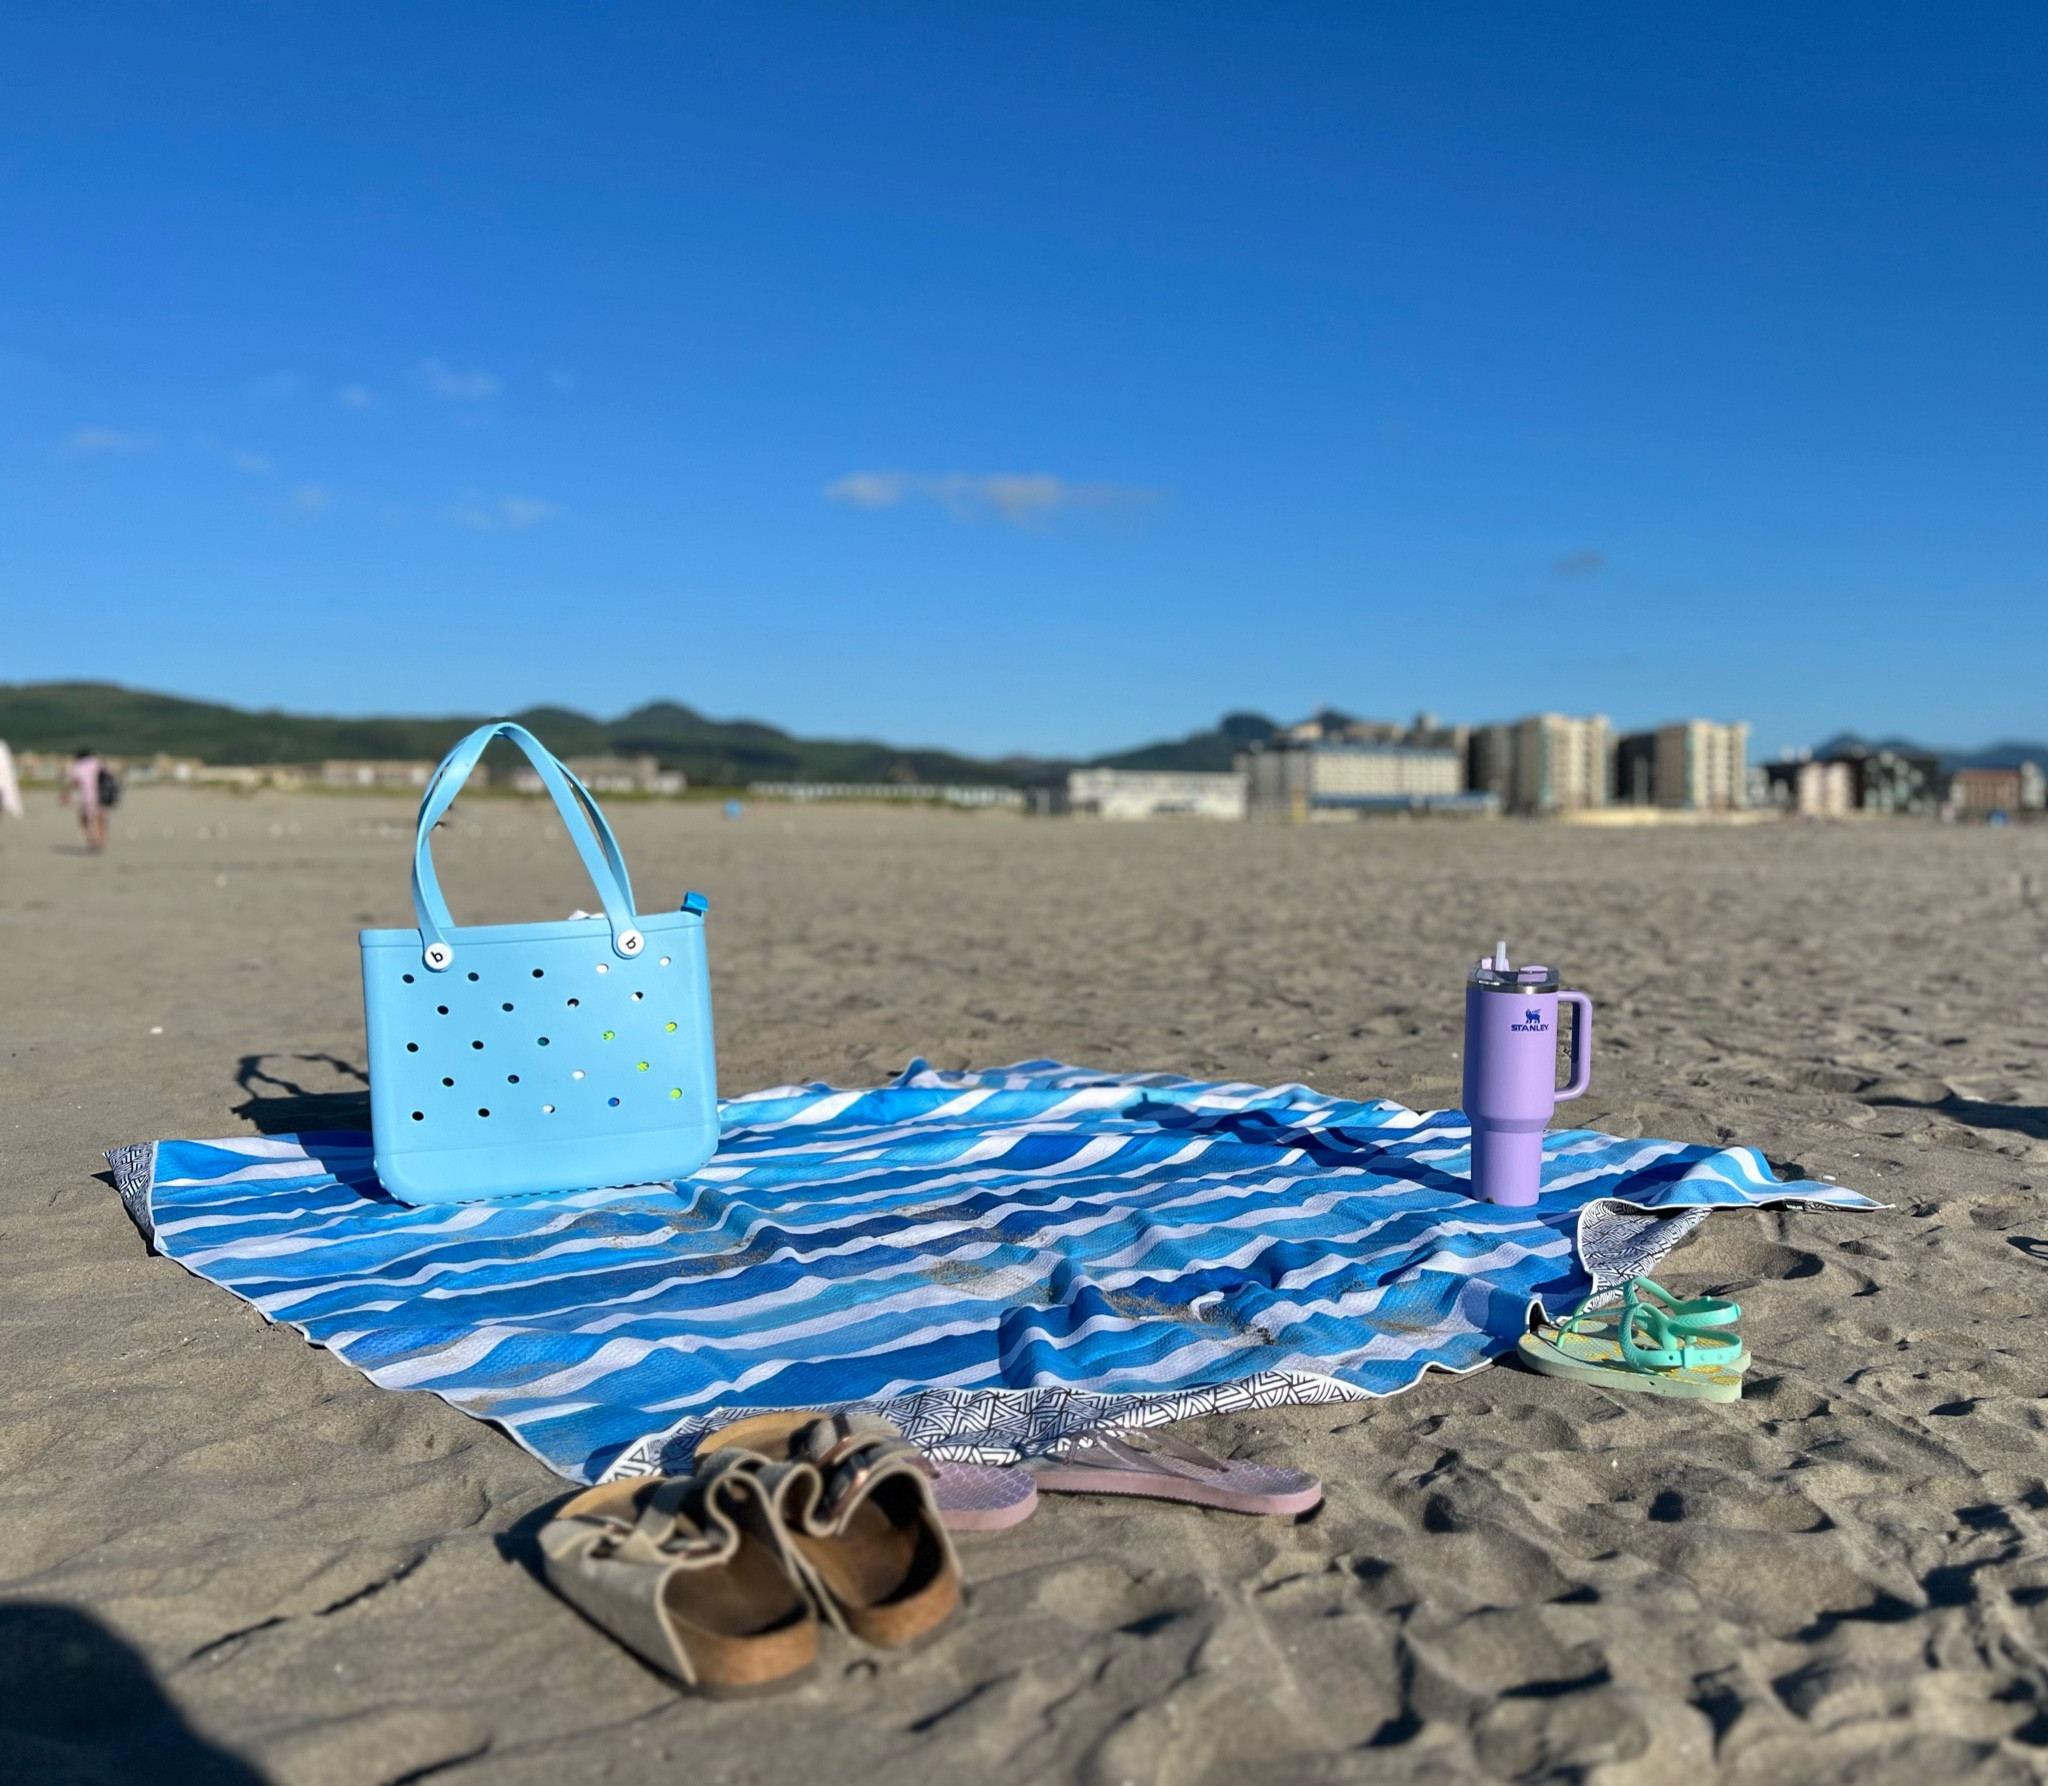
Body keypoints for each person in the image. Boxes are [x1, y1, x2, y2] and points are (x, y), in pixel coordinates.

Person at [61, 747, 111, 852]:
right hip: (101, 795)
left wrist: (66, 793)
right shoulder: (97, 762)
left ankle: (91, 837)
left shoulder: (79, 766)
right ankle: (101, 841)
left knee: (84, 819)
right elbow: (107, 775)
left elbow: (75, 782)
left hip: (88, 796)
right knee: (100, 819)